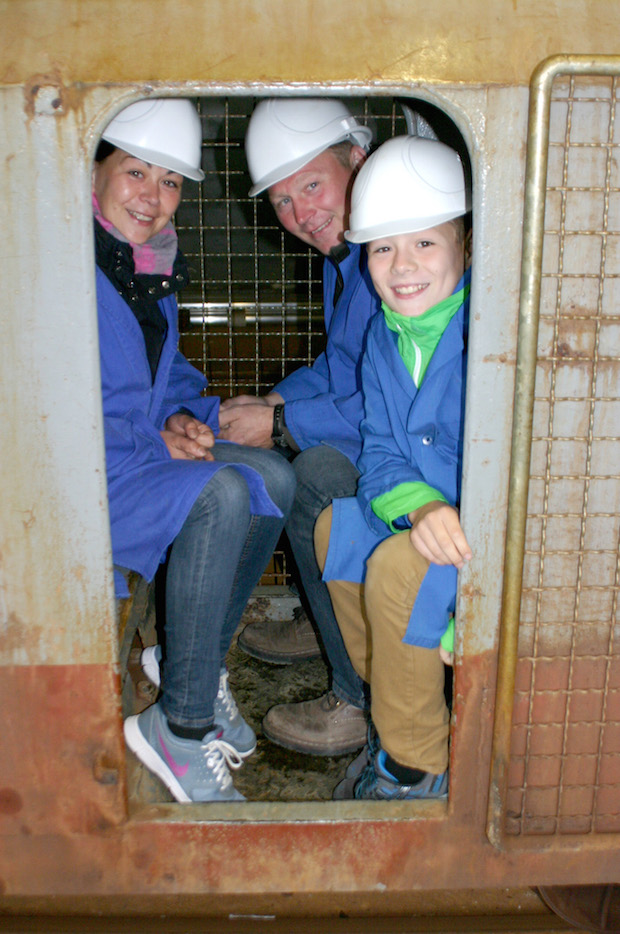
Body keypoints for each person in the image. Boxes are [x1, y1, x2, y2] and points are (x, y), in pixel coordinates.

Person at [92, 98, 296, 802]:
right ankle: (178, 730)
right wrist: (160, 437)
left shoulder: (147, 263)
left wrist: (184, 415)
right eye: (136, 173)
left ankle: (191, 660)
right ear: (96, 170)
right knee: (223, 492)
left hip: (138, 458)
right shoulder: (57, 267)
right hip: (82, 477)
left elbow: (166, 377)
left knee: (273, 476)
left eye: (170, 181)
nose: (153, 197)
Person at [218, 99, 382, 756]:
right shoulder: (341, 256)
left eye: (311, 185)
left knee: (313, 474)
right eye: (282, 201)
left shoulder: (398, 255)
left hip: (432, 458)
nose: (300, 215)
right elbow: (339, 368)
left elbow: (390, 401)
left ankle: (360, 697)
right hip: (384, 435)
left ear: (358, 161)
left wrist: (281, 422)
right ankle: (329, 618)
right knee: (290, 451)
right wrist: (266, 402)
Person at [313, 134, 472, 799]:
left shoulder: (497, 330)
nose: (401, 266)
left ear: (465, 243)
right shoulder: (385, 331)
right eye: (382, 248)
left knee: (400, 569)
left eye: (424, 243)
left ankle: (418, 766)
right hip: (433, 516)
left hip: (492, 533)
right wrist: (420, 508)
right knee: (336, 530)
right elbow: (377, 450)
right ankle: (401, 718)